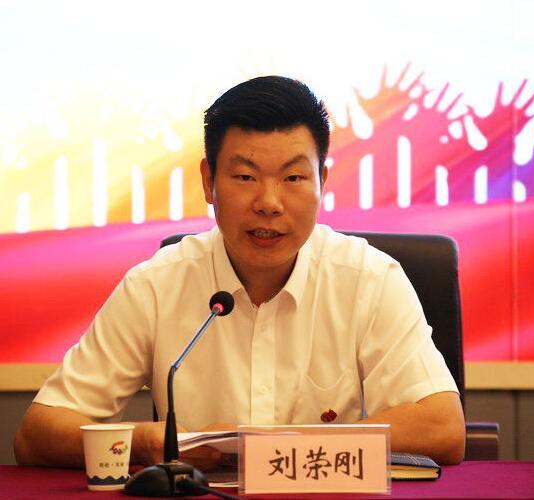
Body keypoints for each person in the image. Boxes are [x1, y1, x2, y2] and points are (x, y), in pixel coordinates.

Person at [14, 76, 465, 469]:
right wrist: (154, 442)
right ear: (208, 182)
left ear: (322, 183)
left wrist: (287, 449)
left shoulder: (369, 279)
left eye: (293, 178)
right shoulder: (157, 285)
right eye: (246, 177)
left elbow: (442, 427)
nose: (269, 203)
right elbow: (37, 435)